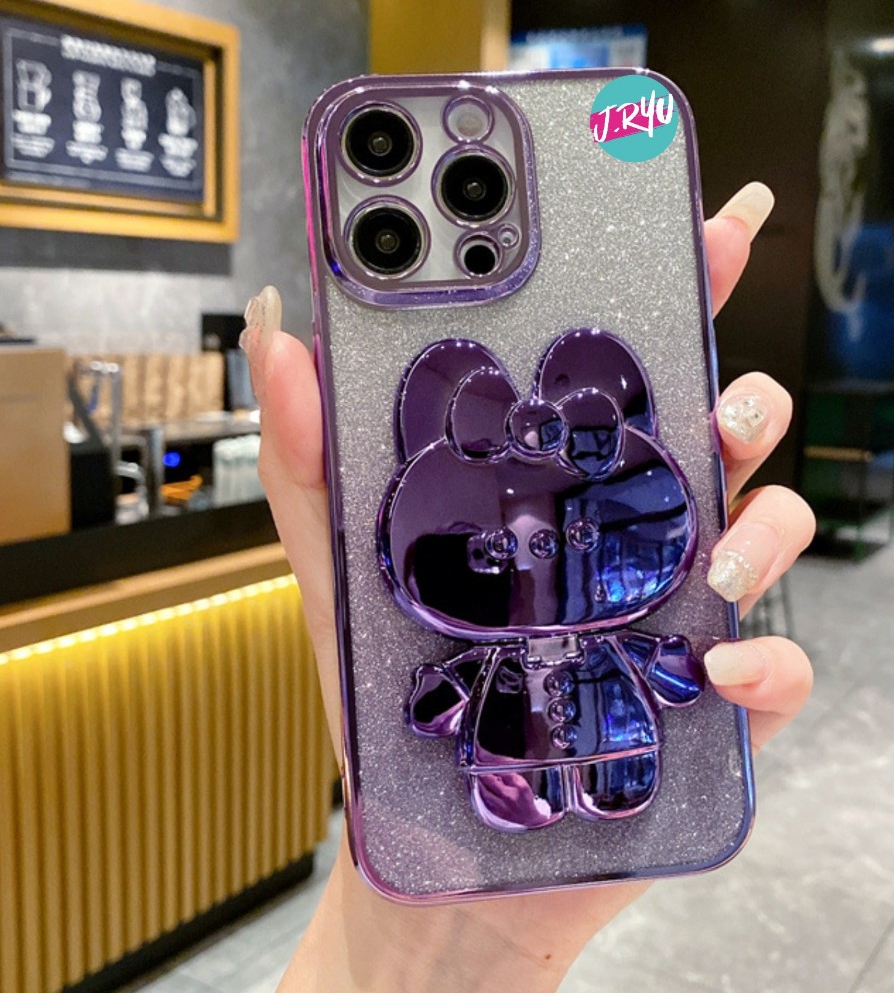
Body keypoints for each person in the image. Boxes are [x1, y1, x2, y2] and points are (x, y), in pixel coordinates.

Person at [241, 182, 815, 992]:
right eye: (498, 546)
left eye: (573, 538)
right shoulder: (455, 582)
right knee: (518, 791)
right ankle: (530, 794)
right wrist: (439, 696)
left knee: (615, 768)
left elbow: (669, 670)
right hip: (508, 749)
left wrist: (682, 665)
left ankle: (602, 782)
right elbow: (442, 694)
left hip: (610, 732)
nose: (538, 552)